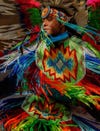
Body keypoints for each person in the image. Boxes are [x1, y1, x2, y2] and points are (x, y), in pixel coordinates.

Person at [0, 0, 100, 130]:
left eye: (50, 19)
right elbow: (14, 73)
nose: (44, 23)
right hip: (35, 110)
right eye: (44, 19)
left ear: (62, 21)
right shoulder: (37, 47)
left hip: (65, 115)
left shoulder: (81, 49)